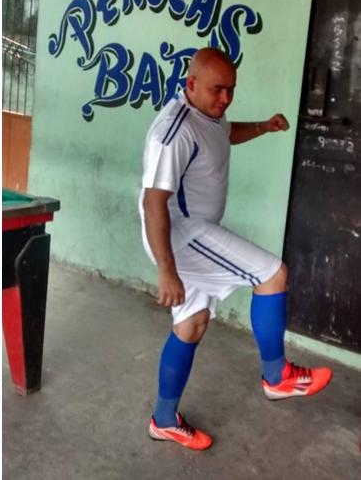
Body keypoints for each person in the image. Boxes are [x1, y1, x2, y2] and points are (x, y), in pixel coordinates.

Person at [140, 47, 332, 450]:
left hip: (194, 232)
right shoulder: (173, 132)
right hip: (180, 235)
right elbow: (153, 203)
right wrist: (166, 270)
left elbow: (225, 133)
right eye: (217, 90)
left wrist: (263, 126)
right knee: (272, 274)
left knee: (190, 327)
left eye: (231, 90)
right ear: (190, 84)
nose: (225, 99)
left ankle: (163, 420)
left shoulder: (208, 113)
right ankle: (277, 376)